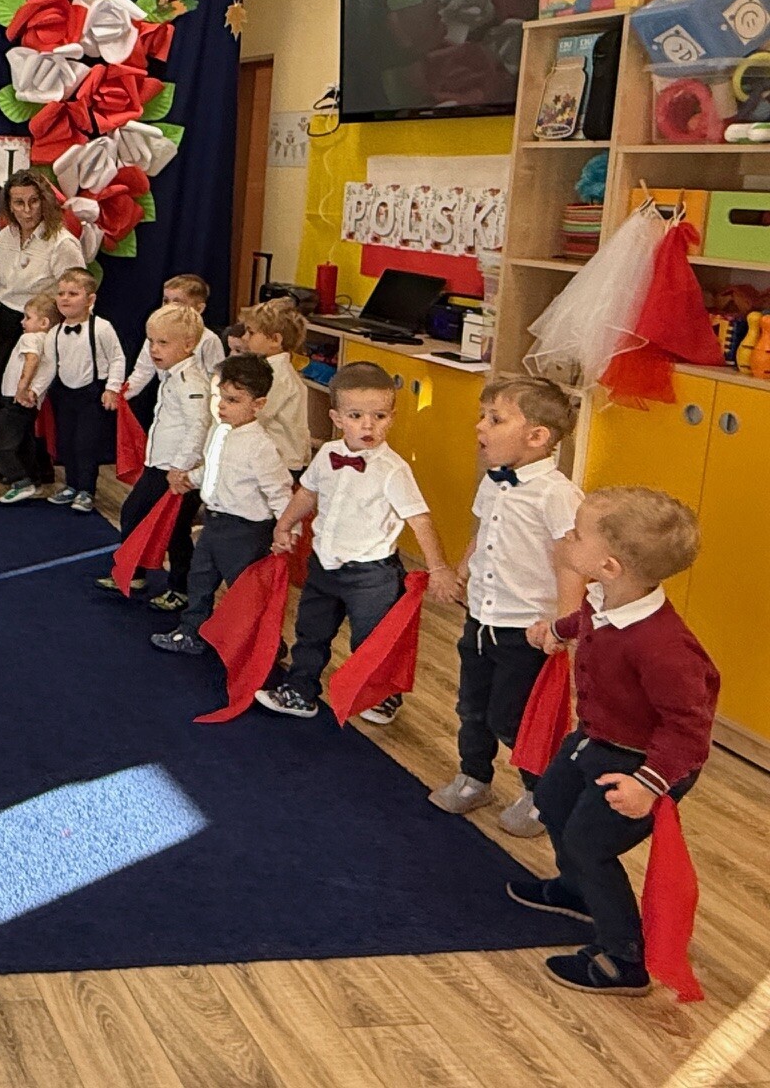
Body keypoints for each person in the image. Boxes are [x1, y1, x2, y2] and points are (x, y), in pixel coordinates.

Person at [509, 487, 718, 996]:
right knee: (553, 801)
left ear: (608, 565)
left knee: (590, 844)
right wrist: (558, 629)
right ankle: (577, 891)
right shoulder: (606, 598)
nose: (567, 538)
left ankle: (624, 958)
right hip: (598, 738)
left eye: (577, 534)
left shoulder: (664, 648)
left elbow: (689, 729)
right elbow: (588, 619)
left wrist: (648, 784)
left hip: (645, 763)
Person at [254, 361, 459, 722]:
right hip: (325, 563)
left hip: (372, 574)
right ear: (336, 417)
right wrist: (284, 524)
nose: (368, 425)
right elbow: (307, 493)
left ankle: (381, 694)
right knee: (311, 631)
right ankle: (300, 690)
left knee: (372, 639)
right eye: (356, 415)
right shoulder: (326, 455)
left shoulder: (392, 470)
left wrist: (439, 568)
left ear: (392, 418)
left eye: (379, 416)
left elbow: (419, 519)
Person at [429, 376, 584, 837]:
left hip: (526, 630)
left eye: (495, 419)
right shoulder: (494, 481)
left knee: (515, 718)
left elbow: (572, 562)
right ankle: (474, 776)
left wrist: (564, 624)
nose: (481, 426)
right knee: (471, 707)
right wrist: (462, 571)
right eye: (484, 416)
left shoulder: (556, 494)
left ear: (537, 436)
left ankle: (541, 793)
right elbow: (483, 534)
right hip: (481, 618)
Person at [152, 354, 290, 655]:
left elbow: (279, 491)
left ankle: (266, 644)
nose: (222, 406)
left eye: (233, 400)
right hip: (214, 522)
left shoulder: (261, 446)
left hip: (246, 531)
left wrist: (287, 529)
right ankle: (192, 631)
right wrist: (190, 479)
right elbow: (214, 469)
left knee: (244, 588)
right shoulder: (220, 432)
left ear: (258, 404)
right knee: (200, 578)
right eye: (219, 397)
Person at [0, 171, 87, 442]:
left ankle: (23, 458)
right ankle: (10, 450)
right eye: (19, 203)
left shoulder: (62, 243)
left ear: (44, 201)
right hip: (5, 322)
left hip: (39, 328)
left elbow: (76, 295)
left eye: (34, 201)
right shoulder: (5, 238)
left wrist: (66, 341)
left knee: (18, 395)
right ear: (9, 206)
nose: (27, 210)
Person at [111, 304, 212, 608]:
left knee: (174, 529)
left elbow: (198, 426)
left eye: (163, 343)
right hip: (161, 465)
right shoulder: (172, 375)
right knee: (139, 515)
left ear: (188, 345)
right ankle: (136, 571)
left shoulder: (191, 382)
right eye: (151, 341)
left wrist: (180, 468)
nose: (154, 349)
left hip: (176, 471)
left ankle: (181, 587)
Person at [46, 268, 125, 515]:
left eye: (73, 294)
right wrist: (34, 391)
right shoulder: (55, 332)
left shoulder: (101, 328)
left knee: (86, 444)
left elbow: (117, 358)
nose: (65, 298)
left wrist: (112, 388)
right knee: (66, 442)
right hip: (64, 395)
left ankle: (86, 489)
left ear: (90, 299)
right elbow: (48, 366)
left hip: (92, 395)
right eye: (61, 293)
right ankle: (71, 485)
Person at [0, 292, 60, 504]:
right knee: (23, 443)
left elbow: (32, 359)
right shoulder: (49, 342)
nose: (22, 322)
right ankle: (34, 480)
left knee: (0, 445)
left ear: (44, 323)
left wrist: (22, 387)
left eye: (28, 317)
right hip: (29, 403)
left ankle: (20, 481)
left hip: (16, 400)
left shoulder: (29, 338)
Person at [232, 298, 310, 477]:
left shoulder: (276, 375)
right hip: (274, 457)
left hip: (281, 460)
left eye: (251, 333)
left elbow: (257, 414)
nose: (245, 338)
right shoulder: (269, 369)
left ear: (275, 340)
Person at [122, 274, 225, 401]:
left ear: (199, 308)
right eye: (165, 301)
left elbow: (218, 377)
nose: (169, 307)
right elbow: (143, 371)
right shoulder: (156, 334)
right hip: (167, 398)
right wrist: (122, 395)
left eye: (177, 302)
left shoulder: (209, 339)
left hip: (197, 401)